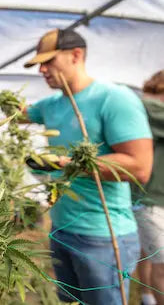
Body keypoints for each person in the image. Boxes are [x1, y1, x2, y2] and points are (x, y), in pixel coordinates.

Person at [22, 29, 153, 304]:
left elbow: (139, 167)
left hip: (102, 235)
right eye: (39, 65)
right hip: (60, 229)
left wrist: (65, 164)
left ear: (76, 55)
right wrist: (4, 108)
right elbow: (21, 114)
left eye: (49, 62)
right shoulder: (51, 104)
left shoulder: (114, 98)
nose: (42, 70)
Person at [134, 70, 164, 305]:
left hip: (146, 198)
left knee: (148, 252)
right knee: (161, 264)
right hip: (152, 200)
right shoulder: (150, 108)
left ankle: (147, 299)